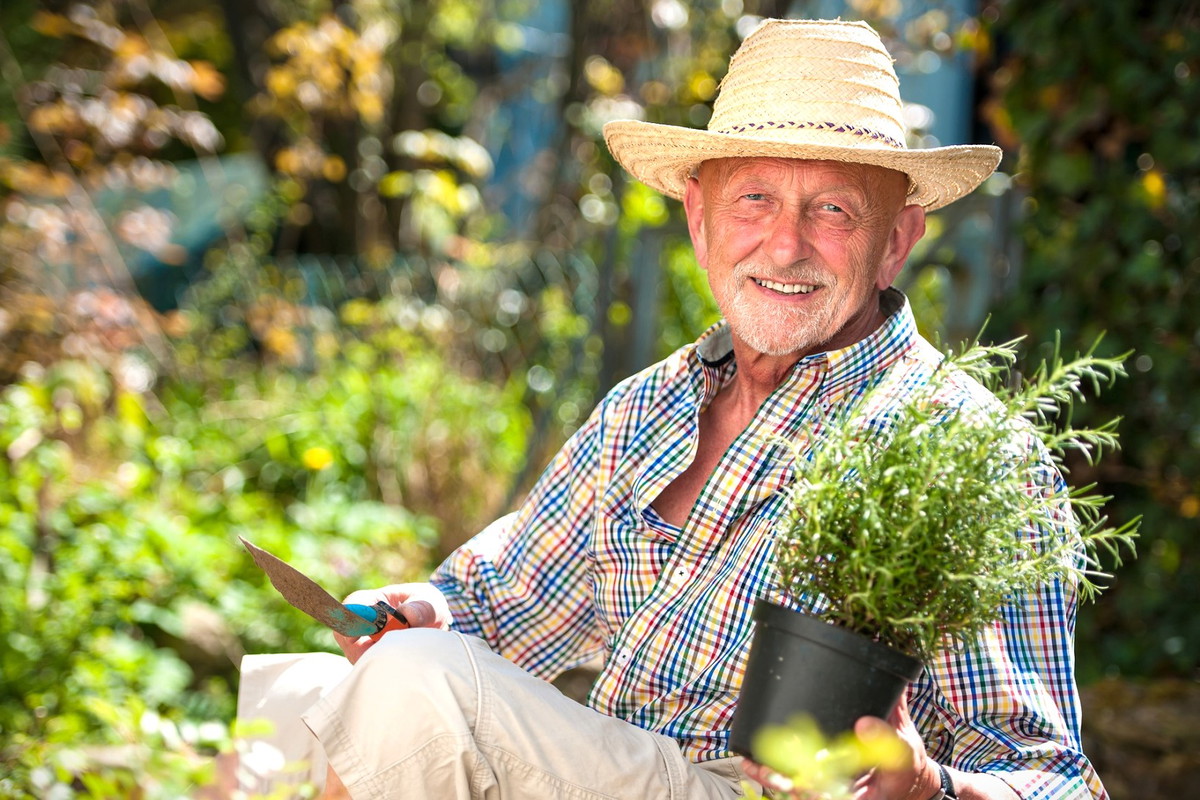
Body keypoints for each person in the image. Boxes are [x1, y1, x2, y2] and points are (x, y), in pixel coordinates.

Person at [237, 18, 1107, 800]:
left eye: (833, 210)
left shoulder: (966, 455)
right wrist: (430, 607)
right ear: (699, 219)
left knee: (407, 688)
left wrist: (927, 790)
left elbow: (1055, 782)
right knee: (300, 701)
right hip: (619, 766)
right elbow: (504, 602)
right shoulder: (649, 405)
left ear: (898, 242)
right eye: (754, 199)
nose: (785, 243)